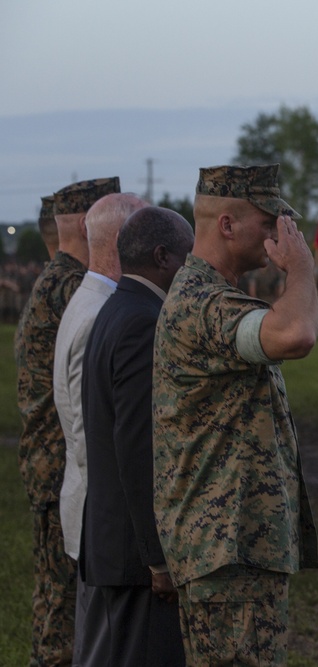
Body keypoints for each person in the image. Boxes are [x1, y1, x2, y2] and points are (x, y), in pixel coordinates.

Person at [152, 164, 318, 665]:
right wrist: (302, 268)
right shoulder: (199, 303)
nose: (280, 235)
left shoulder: (211, 297)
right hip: (226, 549)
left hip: (232, 545)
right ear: (227, 226)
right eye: (269, 224)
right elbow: (296, 335)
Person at [81, 207, 193, 666]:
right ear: (163, 257)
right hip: (136, 556)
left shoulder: (116, 308)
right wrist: (159, 559)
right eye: (188, 258)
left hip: (115, 542)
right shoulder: (144, 322)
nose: (193, 270)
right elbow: (138, 446)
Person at [15, 177, 119, 667]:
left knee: (54, 601)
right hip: (62, 461)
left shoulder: (54, 280)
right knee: (62, 611)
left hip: (48, 459)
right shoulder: (73, 286)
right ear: (85, 223)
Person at [53, 192, 146, 664]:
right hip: (104, 517)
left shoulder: (91, 299)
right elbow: (95, 435)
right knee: (106, 649)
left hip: (94, 511)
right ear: (126, 240)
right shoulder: (100, 314)